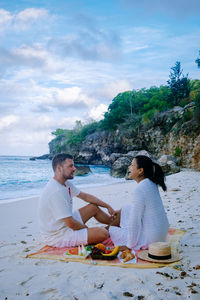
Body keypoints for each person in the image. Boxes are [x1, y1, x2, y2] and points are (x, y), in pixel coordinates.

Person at [38, 153, 116, 247]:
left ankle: (114, 224)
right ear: (59, 168)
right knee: (103, 233)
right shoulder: (56, 191)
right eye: (70, 166)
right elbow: (71, 224)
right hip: (58, 236)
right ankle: (108, 229)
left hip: (64, 224)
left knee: (93, 207)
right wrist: (86, 229)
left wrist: (107, 206)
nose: (74, 168)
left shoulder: (65, 184)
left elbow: (86, 197)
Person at [108, 155, 169, 250]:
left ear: (140, 171)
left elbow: (135, 221)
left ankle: (108, 229)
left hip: (151, 240)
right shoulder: (151, 183)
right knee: (126, 208)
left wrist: (129, 245)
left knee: (111, 230)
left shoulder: (140, 189)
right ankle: (116, 225)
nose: (129, 167)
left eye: (132, 165)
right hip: (161, 235)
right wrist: (121, 211)